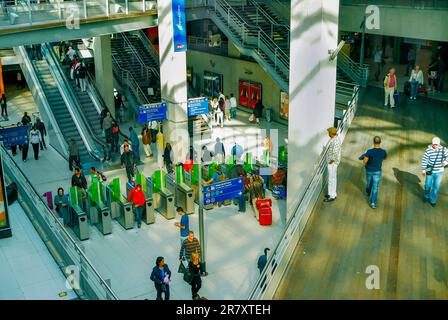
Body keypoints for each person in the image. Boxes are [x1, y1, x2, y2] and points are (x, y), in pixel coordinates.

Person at [359, 136, 387, 209]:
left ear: (373, 142)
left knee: (369, 183)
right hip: (377, 171)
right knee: (375, 187)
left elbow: (364, 161)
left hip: (369, 171)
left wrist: (365, 157)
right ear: (380, 142)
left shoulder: (369, 152)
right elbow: (385, 158)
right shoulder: (383, 151)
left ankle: (368, 192)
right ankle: (373, 203)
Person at [421, 137, 448, 207]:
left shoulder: (443, 150)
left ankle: (433, 199)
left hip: (439, 171)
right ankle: (426, 195)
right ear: (432, 144)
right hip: (429, 169)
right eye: (434, 144)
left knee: (436, 187)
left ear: (439, 144)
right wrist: (423, 170)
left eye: (437, 144)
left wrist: (446, 162)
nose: (436, 146)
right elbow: (424, 160)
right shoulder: (428, 151)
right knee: (427, 185)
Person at [324, 127, 341, 202]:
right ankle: (332, 193)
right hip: (332, 162)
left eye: (329, 133)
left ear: (331, 133)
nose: (328, 134)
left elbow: (335, 152)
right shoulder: (334, 139)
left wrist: (330, 161)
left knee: (331, 179)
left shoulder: (336, 141)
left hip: (332, 163)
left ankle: (331, 196)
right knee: (333, 178)